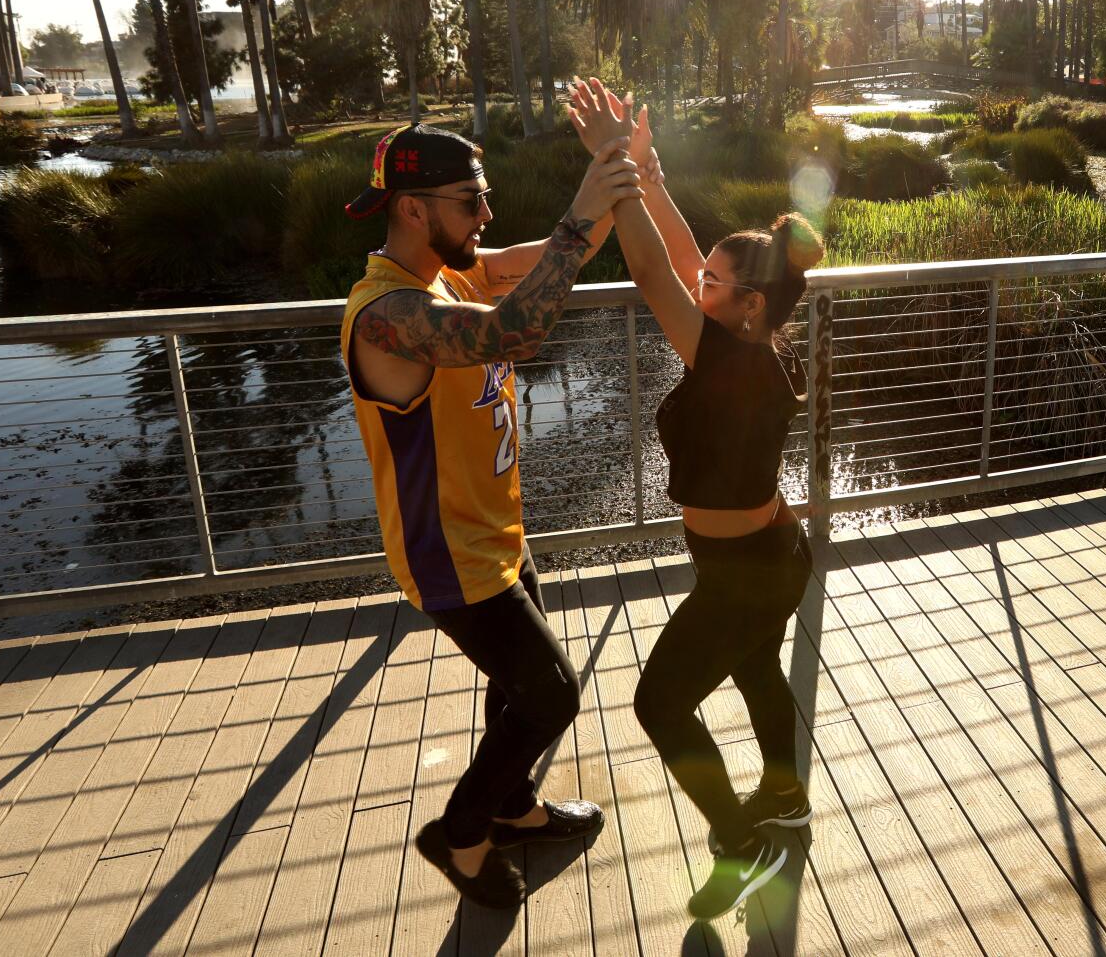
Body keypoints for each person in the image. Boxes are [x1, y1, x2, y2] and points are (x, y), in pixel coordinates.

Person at [340, 122, 642, 910]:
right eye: (471, 200)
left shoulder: (450, 274)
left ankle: (513, 806)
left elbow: (551, 253)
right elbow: (522, 328)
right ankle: (463, 830)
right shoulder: (385, 315)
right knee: (552, 693)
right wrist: (583, 212)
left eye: (486, 198)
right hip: (449, 555)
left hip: (497, 535)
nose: (485, 216)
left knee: (514, 692)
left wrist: (620, 163)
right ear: (412, 207)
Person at [569, 80, 819, 922]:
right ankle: (785, 796)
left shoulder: (739, 363)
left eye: (714, 280)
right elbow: (677, 261)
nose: (697, 281)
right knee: (754, 669)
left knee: (658, 702)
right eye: (703, 274)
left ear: (747, 305)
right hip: (763, 557)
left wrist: (613, 165)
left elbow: (648, 267)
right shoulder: (751, 343)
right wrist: (651, 175)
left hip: (749, 570)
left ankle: (741, 846)